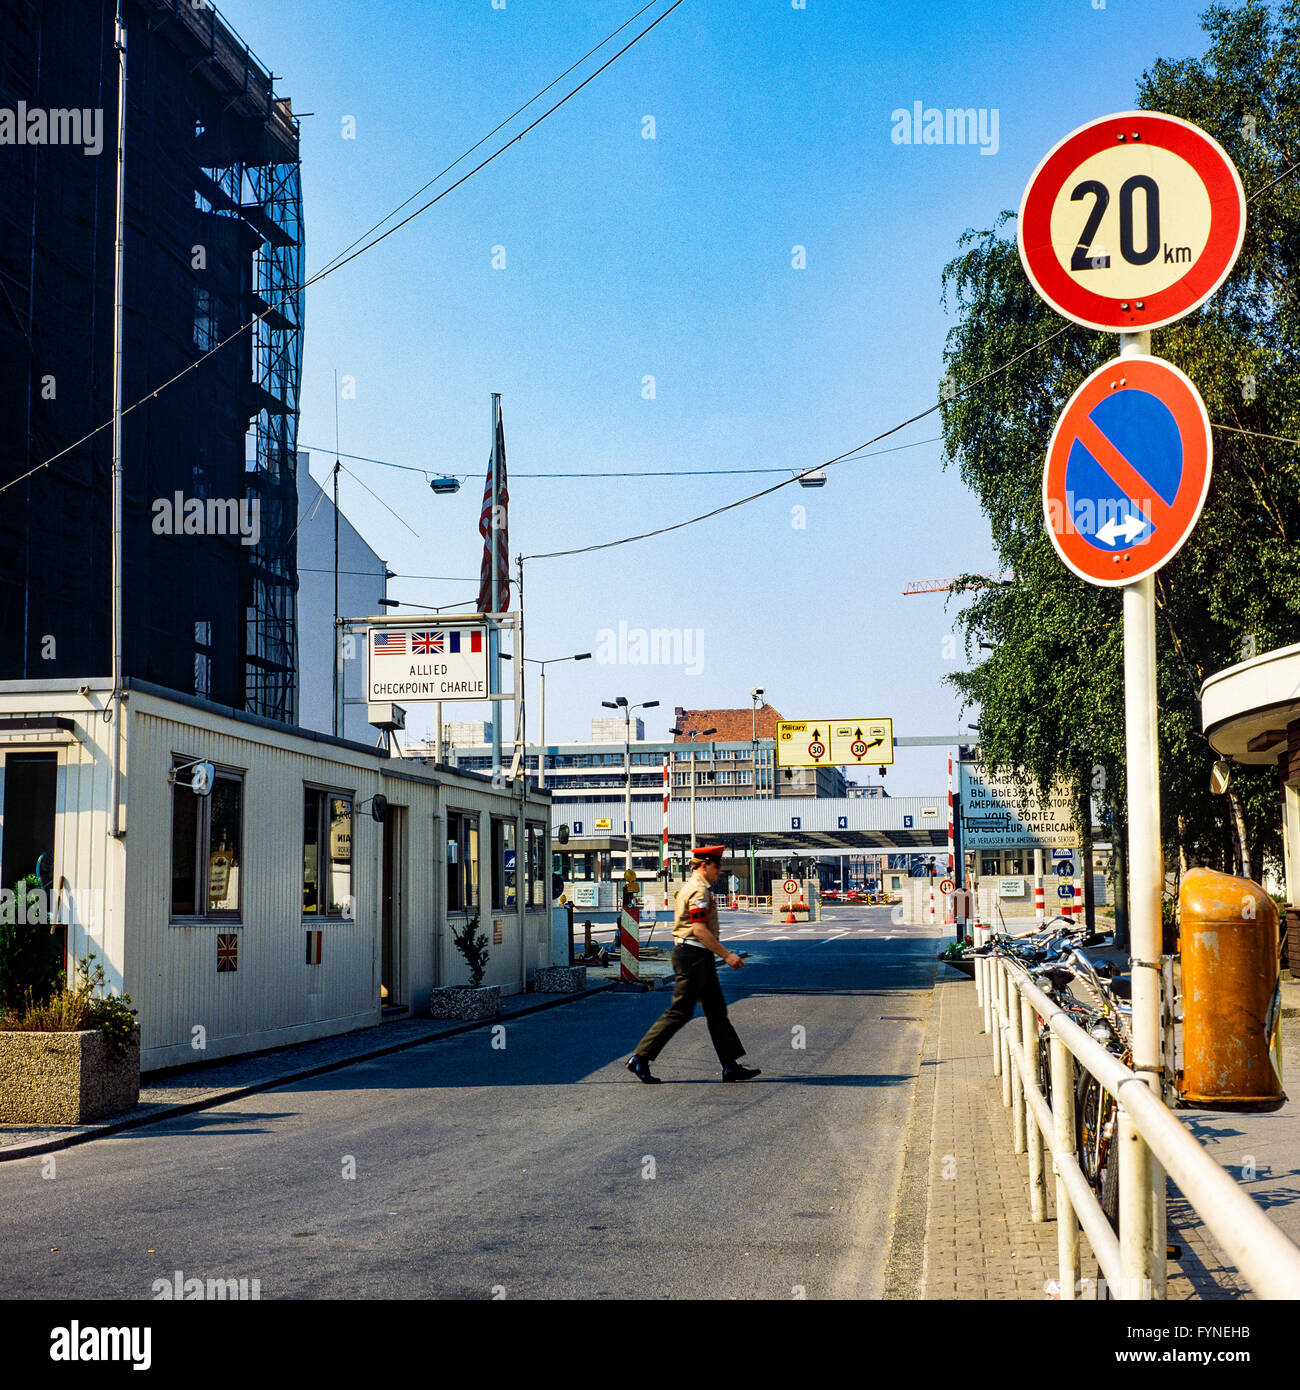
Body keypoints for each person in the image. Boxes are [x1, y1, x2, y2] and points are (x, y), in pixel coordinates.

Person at [627, 845, 760, 1083]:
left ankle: (730, 1066)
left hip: (699, 957)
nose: (719, 871)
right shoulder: (698, 891)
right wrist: (727, 955)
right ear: (704, 865)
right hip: (693, 956)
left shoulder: (697, 887)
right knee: (680, 1011)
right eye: (716, 866)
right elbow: (699, 930)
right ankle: (640, 1057)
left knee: (717, 1011)